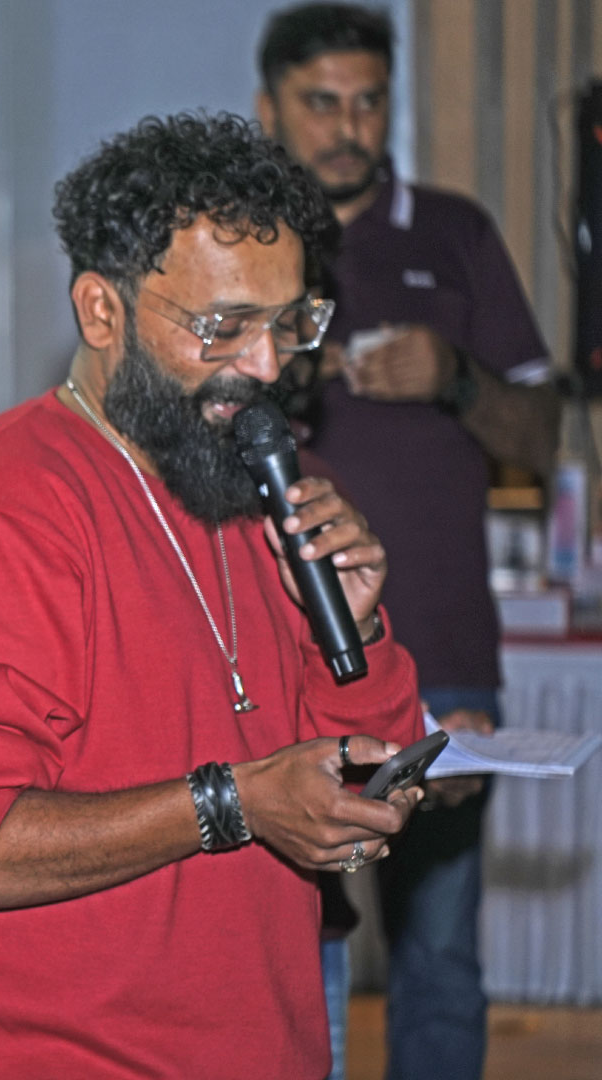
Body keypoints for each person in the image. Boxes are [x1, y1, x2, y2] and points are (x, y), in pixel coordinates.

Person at [0, 112, 427, 1079]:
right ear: (100, 310)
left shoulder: (261, 484)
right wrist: (231, 804)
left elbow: (359, 764)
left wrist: (358, 631)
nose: (267, 367)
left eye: (291, 324)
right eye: (224, 327)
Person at [256, 7, 562, 1078]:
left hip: (442, 659)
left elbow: (543, 433)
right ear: (268, 108)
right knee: (280, 952)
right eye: (320, 103)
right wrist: (286, 366)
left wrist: (456, 377)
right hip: (273, 664)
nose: (349, 126)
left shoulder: (454, 233)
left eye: (369, 102)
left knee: (437, 954)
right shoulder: (244, 246)